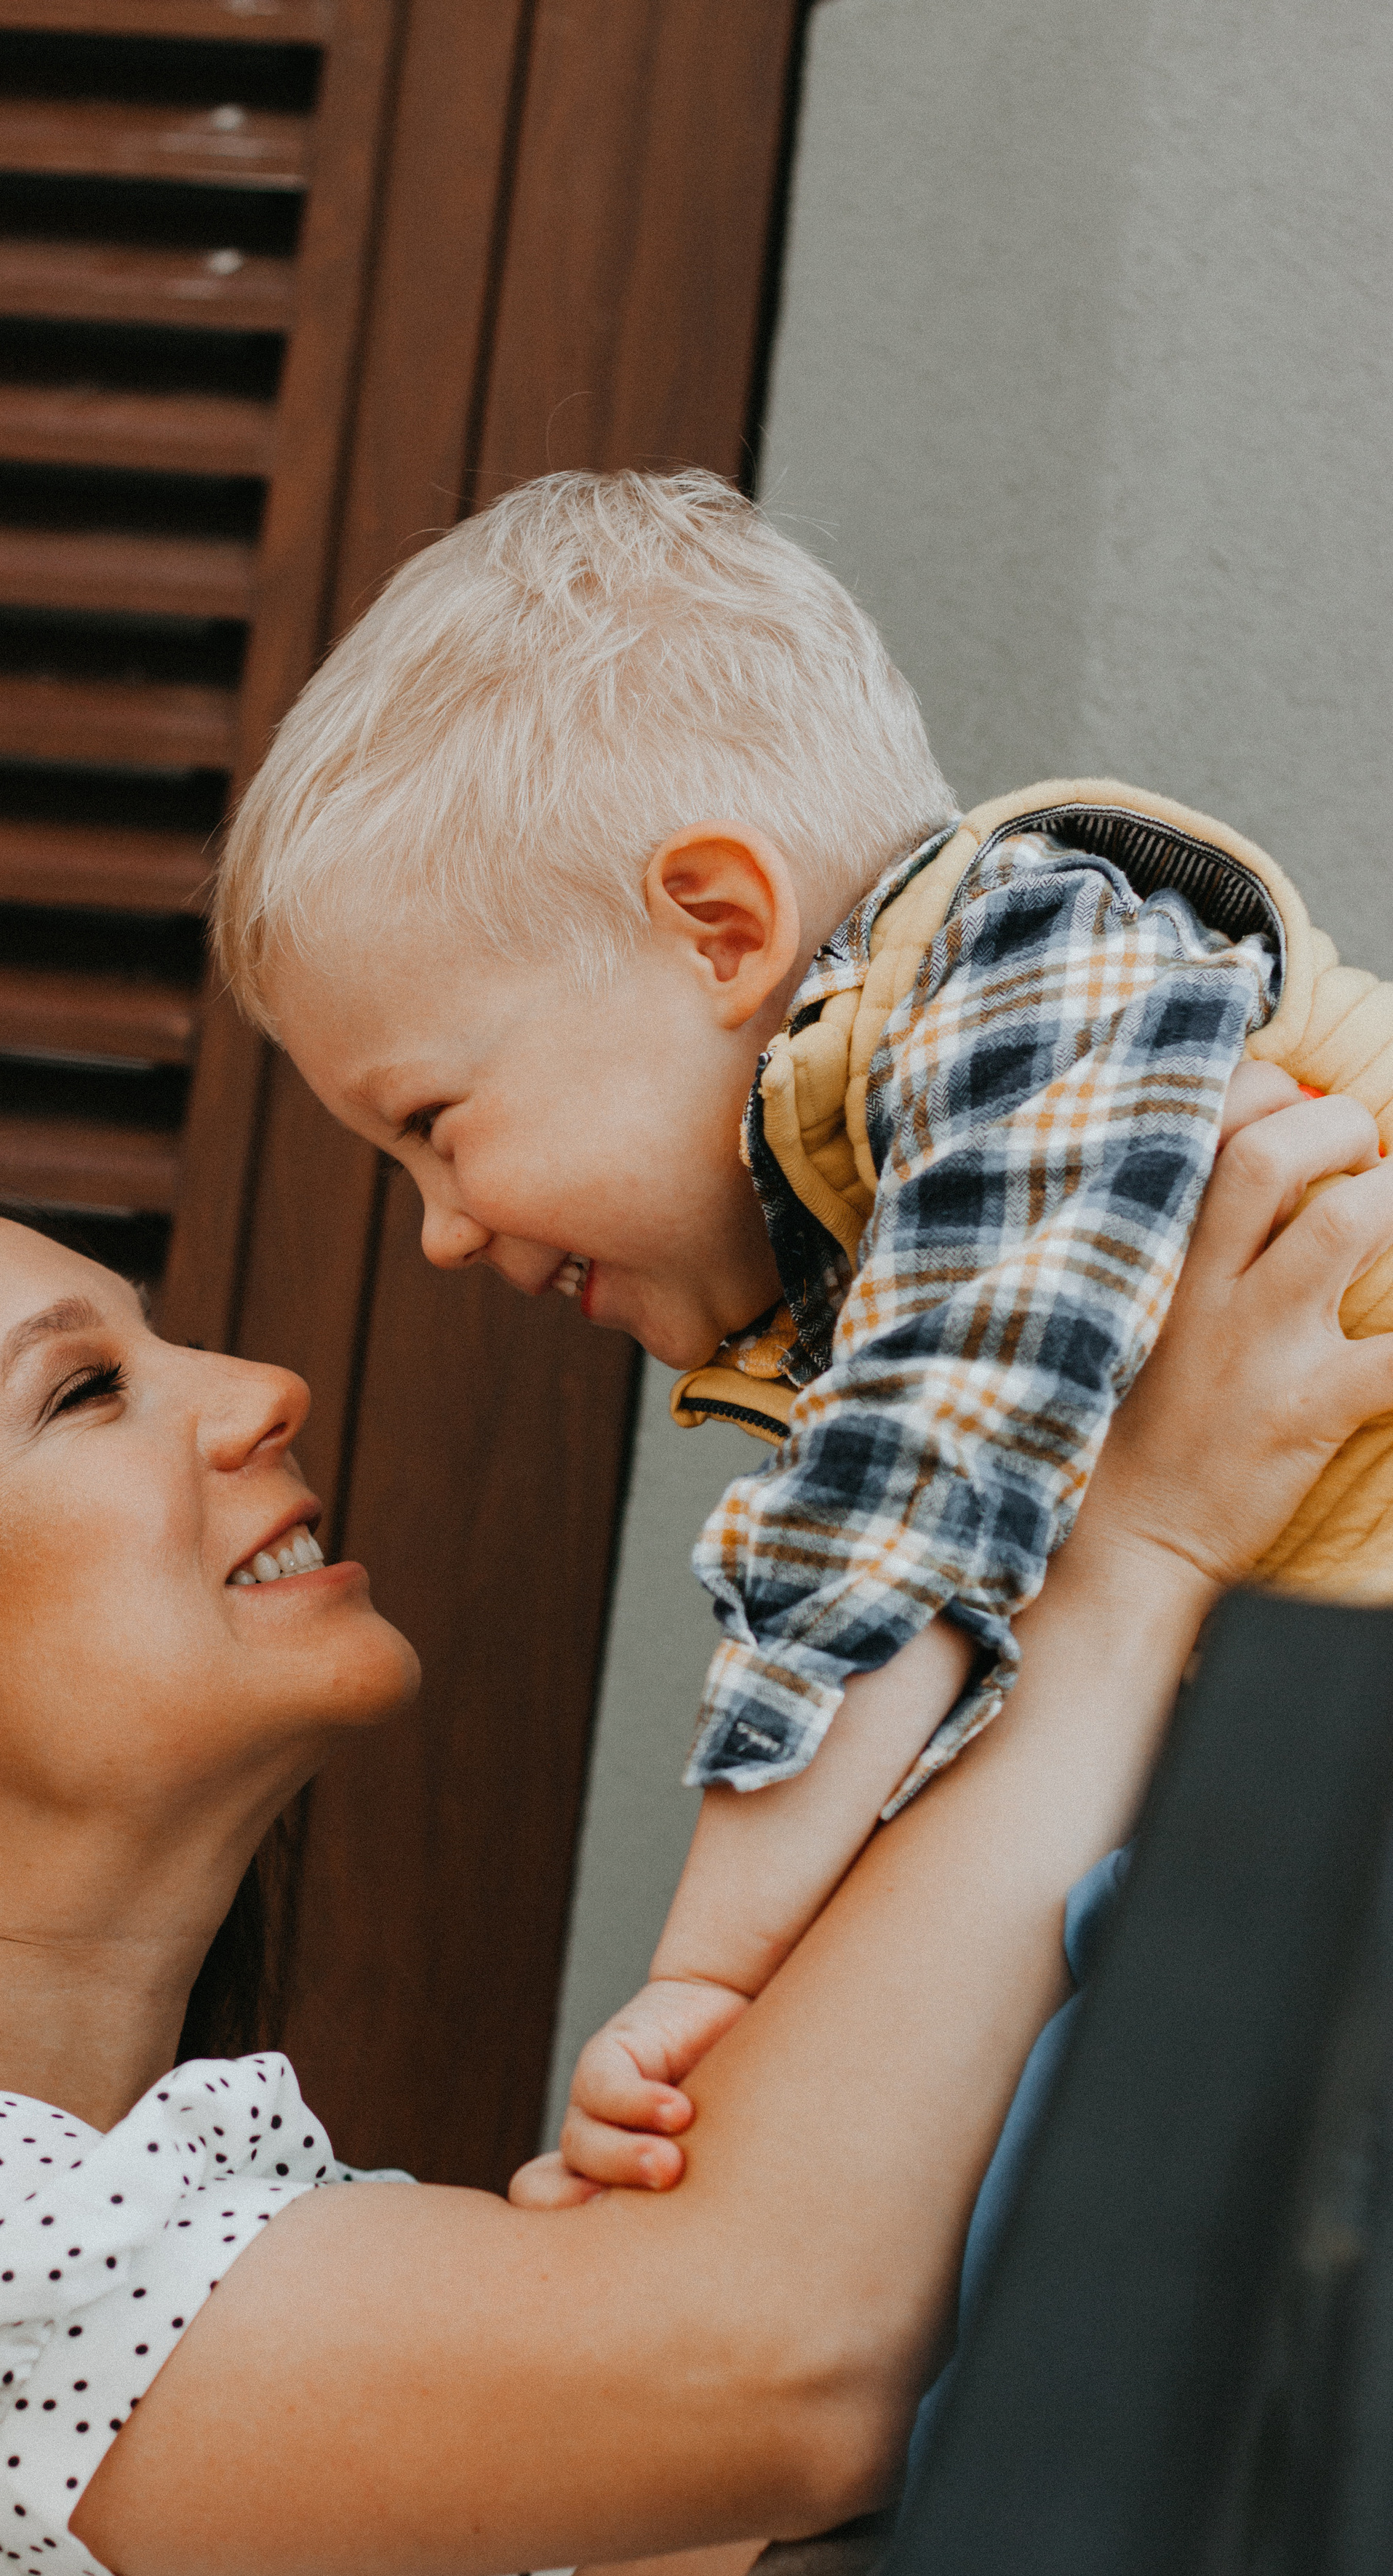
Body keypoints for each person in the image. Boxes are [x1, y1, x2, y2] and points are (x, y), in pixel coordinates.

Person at [0, 1103, 1387, 2576]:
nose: (258, 1386)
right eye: (86, 1391)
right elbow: (769, 2360)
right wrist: (1129, 1548)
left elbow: (937, 2552)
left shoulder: (217, 2225)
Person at [209, 465, 1393, 2189]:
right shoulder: (886, 1183)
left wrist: (702, 1981)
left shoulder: (1022, 965)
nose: (442, 1232)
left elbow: (905, 1521)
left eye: (434, 1122)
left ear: (715, 926)